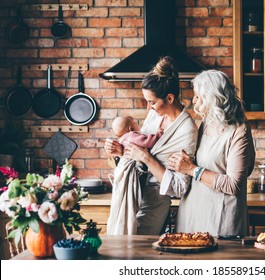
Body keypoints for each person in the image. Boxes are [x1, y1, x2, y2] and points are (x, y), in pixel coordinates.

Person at [104, 56, 198, 235]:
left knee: (136, 253)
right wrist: (120, 151)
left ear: (169, 98)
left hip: (154, 204)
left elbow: (179, 187)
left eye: (152, 102)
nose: (148, 108)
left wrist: (146, 159)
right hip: (131, 195)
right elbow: (138, 152)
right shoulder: (155, 116)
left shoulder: (187, 130)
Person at [165, 69, 255, 237]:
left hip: (221, 219)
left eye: (198, 96)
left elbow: (233, 185)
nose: (194, 101)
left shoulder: (239, 131)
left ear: (213, 99)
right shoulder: (205, 123)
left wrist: (192, 170)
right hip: (191, 215)